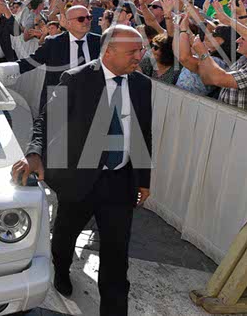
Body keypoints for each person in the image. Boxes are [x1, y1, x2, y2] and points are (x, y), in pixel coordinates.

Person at [12, 25, 152, 316]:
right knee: (65, 236)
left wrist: (143, 179)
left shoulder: (141, 84)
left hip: (120, 181)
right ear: (109, 51)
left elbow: (143, 133)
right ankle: (61, 268)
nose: (139, 56)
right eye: (132, 51)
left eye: (141, 50)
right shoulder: (75, 79)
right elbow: (46, 121)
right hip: (79, 179)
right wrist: (34, 154)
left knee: (117, 258)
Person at [16, 5, 101, 106]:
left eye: (89, 17)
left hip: (90, 102)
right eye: (81, 19)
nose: (86, 21)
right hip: (59, 101)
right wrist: (9, 69)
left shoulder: (99, 42)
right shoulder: (54, 43)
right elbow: (32, 61)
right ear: (68, 23)